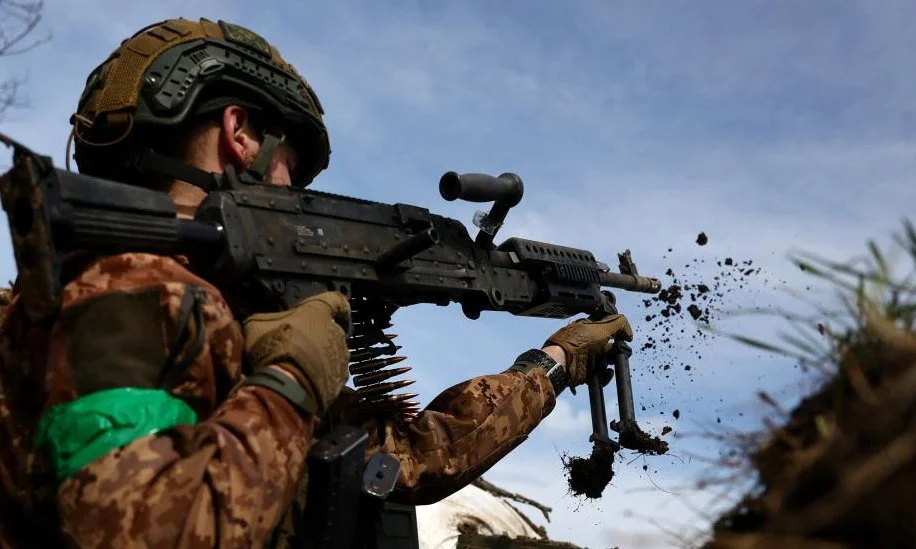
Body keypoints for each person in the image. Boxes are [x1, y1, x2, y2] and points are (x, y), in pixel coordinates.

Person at [0, 18, 633, 549]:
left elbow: (397, 459)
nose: (294, 191)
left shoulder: (215, 308)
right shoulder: (127, 289)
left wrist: (549, 366)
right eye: (292, 166)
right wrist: (293, 378)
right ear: (239, 134)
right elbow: (138, 531)